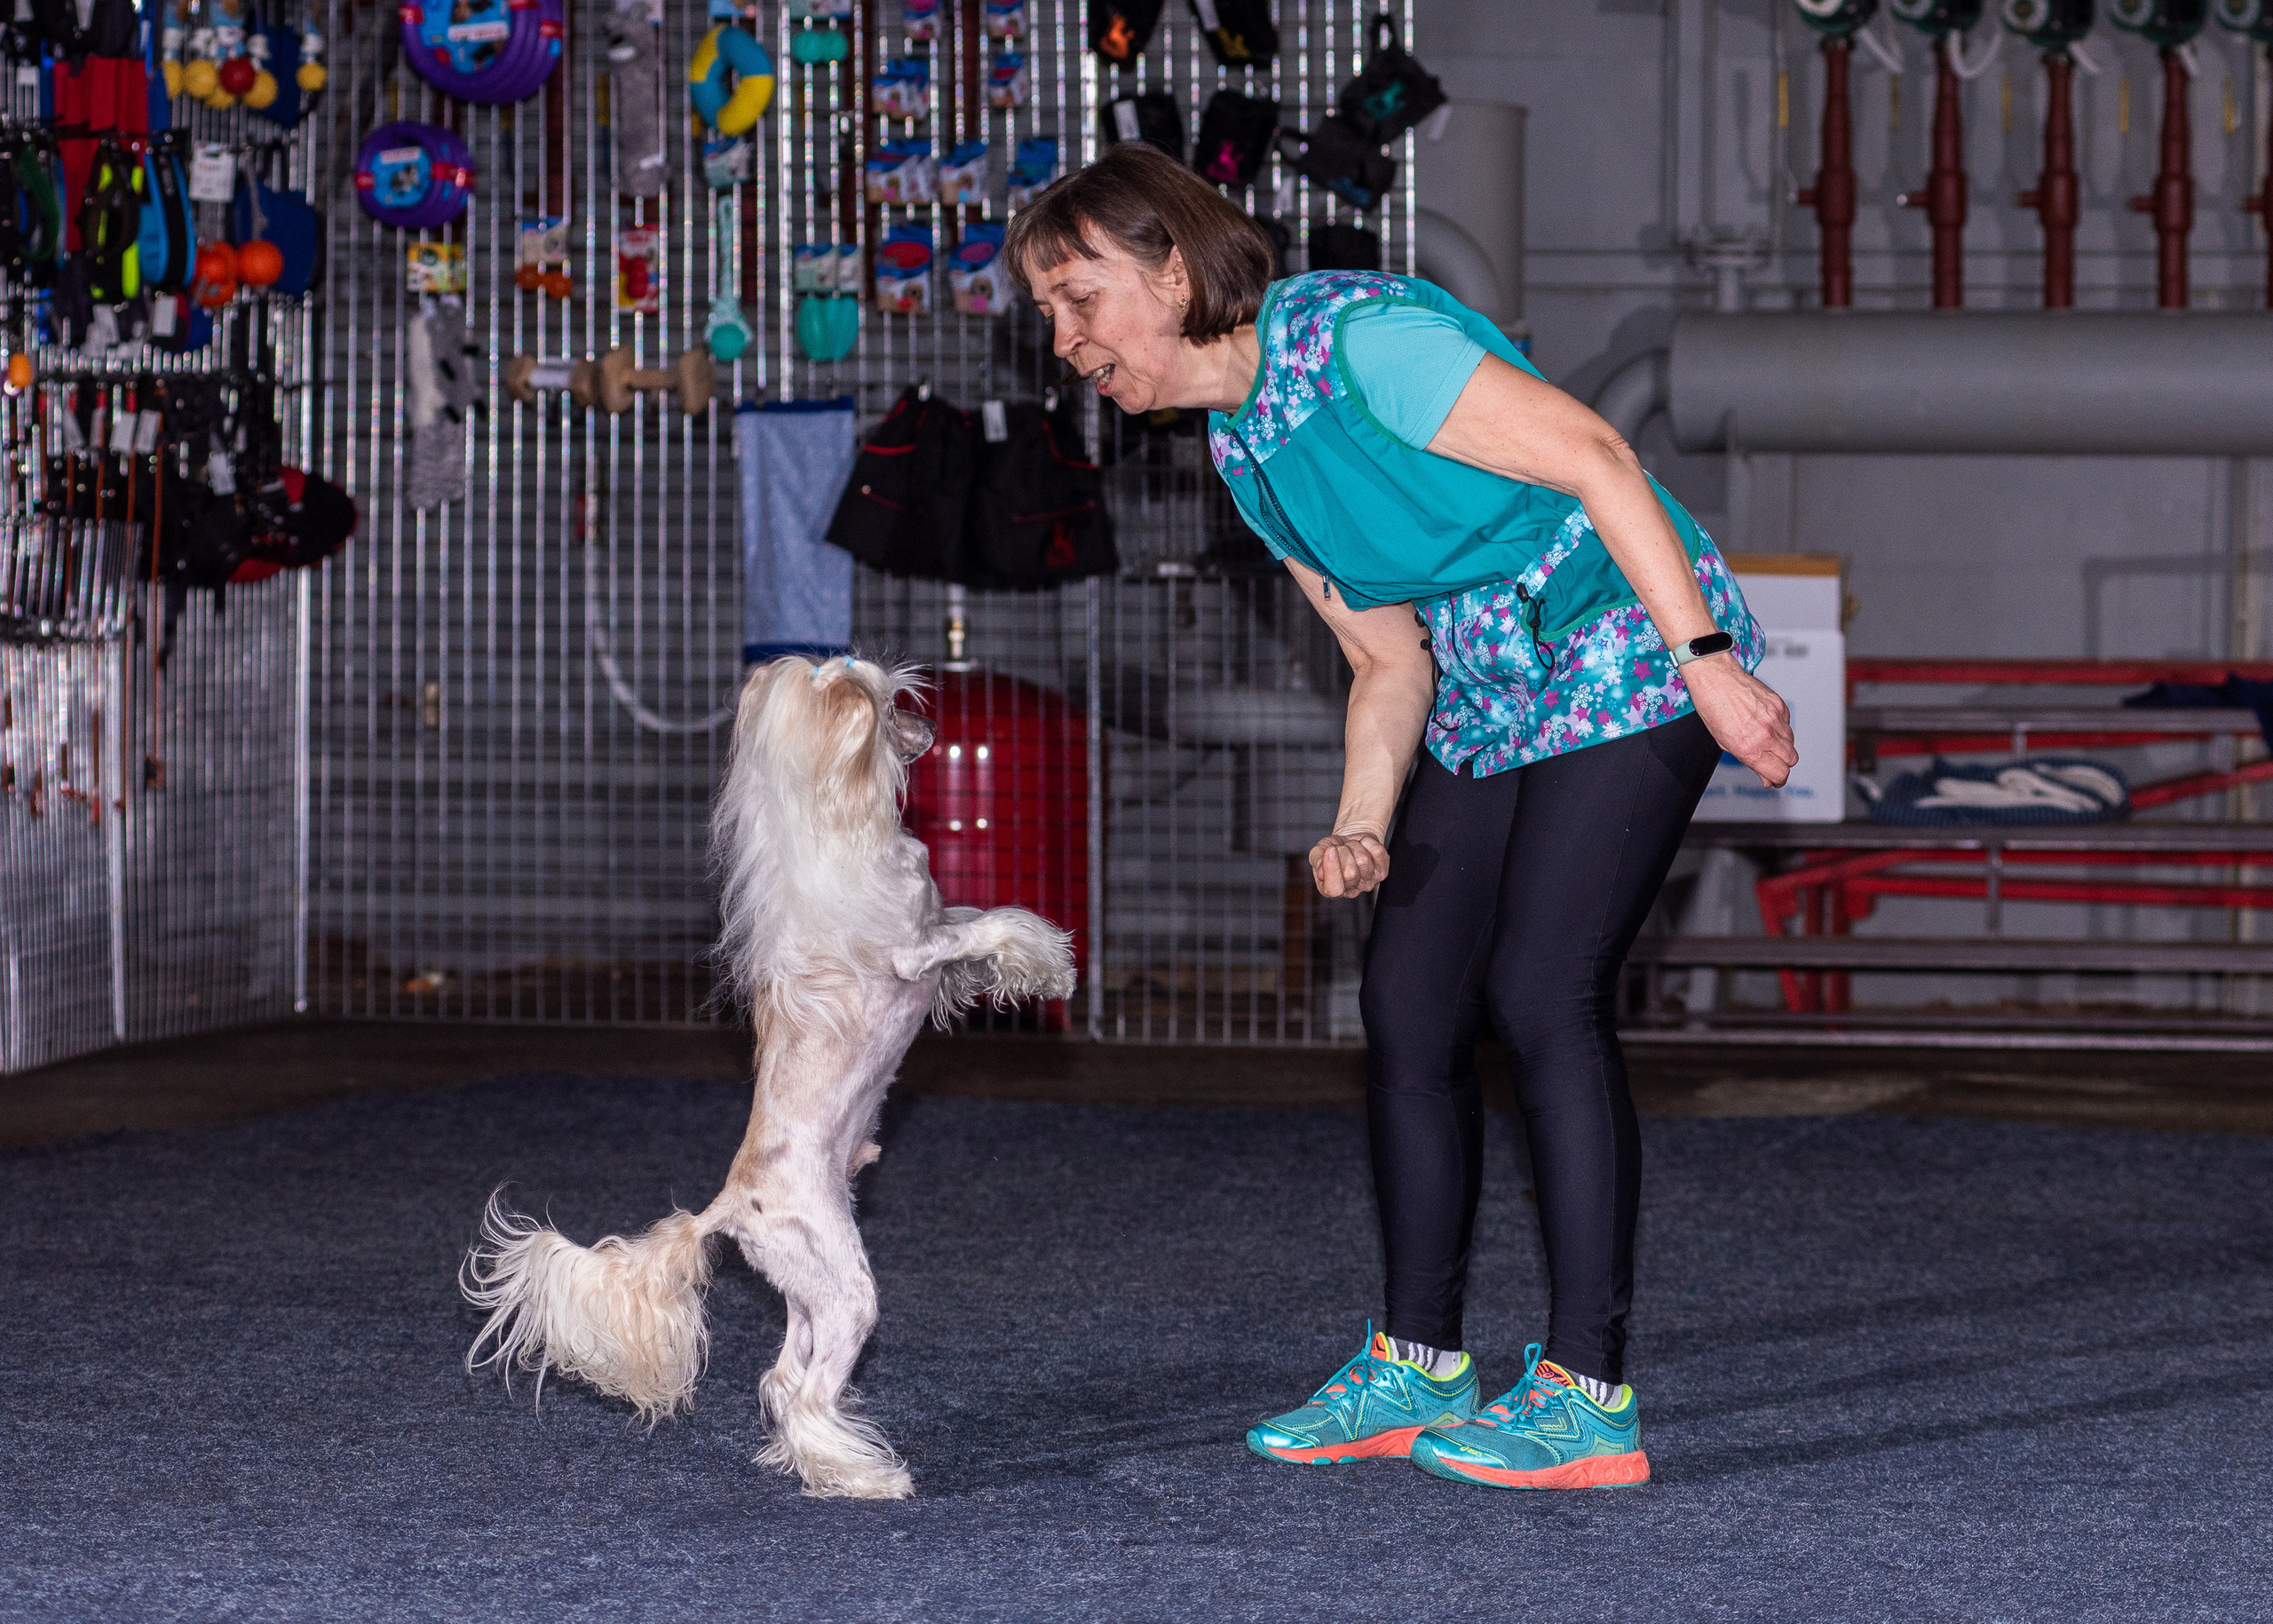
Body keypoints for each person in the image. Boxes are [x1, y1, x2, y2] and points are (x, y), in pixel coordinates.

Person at [1005, 146, 1795, 1492]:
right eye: (1048, 316)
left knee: (1545, 992)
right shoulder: (1246, 450)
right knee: (1412, 1000)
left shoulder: (1363, 345)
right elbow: (1387, 662)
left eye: (1081, 299)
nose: (1067, 342)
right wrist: (1362, 818)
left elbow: (1600, 456)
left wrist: (1711, 663)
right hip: (1488, 677)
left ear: (1175, 270)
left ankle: (1592, 1395)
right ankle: (1417, 1359)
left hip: (1624, 637)